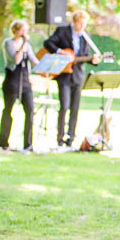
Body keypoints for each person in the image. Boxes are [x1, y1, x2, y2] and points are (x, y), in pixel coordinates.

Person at [43, 9, 101, 147]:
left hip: (78, 75)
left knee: (75, 108)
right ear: (74, 22)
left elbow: (85, 56)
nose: (82, 27)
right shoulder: (62, 31)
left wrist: (93, 60)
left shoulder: (86, 36)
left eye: (84, 24)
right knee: (64, 106)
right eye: (80, 23)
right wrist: (60, 52)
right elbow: (48, 43)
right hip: (64, 75)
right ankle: (60, 137)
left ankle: (71, 138)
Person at [0, 20, 39, 151]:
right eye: (21, 30)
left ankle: (28, 144)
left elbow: (33, 60)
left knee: (30, 110)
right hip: (12, 80)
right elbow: (15, 60)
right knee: (8, 110)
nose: (23, 34)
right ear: (15, 31)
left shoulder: (27, 45)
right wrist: (22, 46)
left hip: (25, 81)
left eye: (25, 31)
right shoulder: (8, 43)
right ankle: (3, 141)